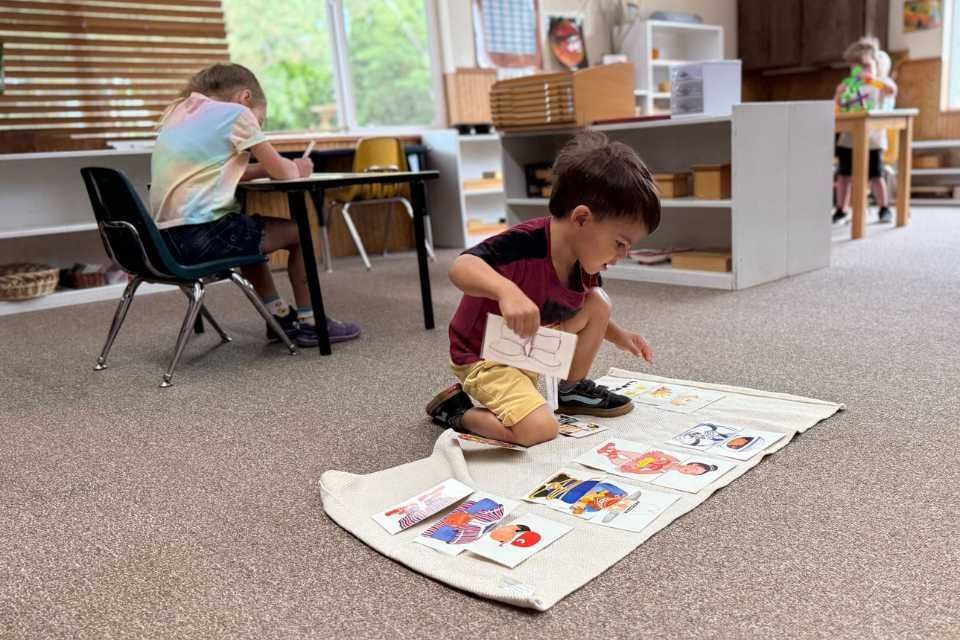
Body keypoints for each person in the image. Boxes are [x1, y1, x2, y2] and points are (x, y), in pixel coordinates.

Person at [425, 131, 661, 447]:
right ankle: (454, 411)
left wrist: (621, 337)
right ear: (581, 219)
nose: (624, 255)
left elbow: (586, 309)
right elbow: (461, 267)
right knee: (539, 429)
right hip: (484, 355)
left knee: (597, 302)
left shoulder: (583, 262)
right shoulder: (526, 242)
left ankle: (570, 388)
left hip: (527, 344)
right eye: (620, 243)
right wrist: (507, 292)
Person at [150, 63, 360, 347]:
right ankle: (311, 322)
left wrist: (263, 168)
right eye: (260, 121)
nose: (257, 128)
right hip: (204, 236)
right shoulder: (235, 114)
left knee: (249, 233)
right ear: (245, 97)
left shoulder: (179, 114)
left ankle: (278, 318)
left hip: (165, 241)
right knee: (298, 231)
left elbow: (212, 171)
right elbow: (285, 173)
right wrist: (299, 167)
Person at [833, 37, 898, 226]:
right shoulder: (848, 86)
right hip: (848, 139)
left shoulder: (878, 85)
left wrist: (875, 80)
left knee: (875, 175)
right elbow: (835, 105)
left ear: (877, 66)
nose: (861, 73)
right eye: (856, 68)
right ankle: (841, 210)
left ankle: (884, 208)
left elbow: (892, 90)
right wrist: (839, 93)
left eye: (867, 67)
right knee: (844, 175)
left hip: (873, 140)